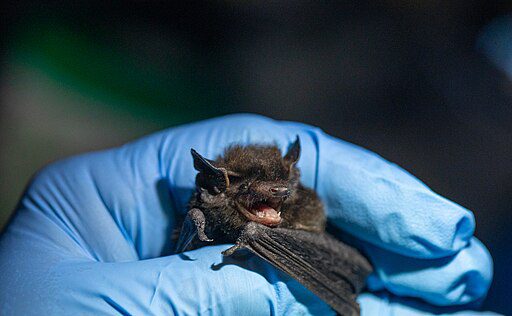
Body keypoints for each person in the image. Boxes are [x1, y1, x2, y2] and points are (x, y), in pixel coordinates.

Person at [0, 114, 496, 315]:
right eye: (260, 198)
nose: (271, 204)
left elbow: (284, 211)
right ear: (220, 185)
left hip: (315, 249)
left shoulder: (290, 208)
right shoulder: (210, 204)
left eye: (280, 194)